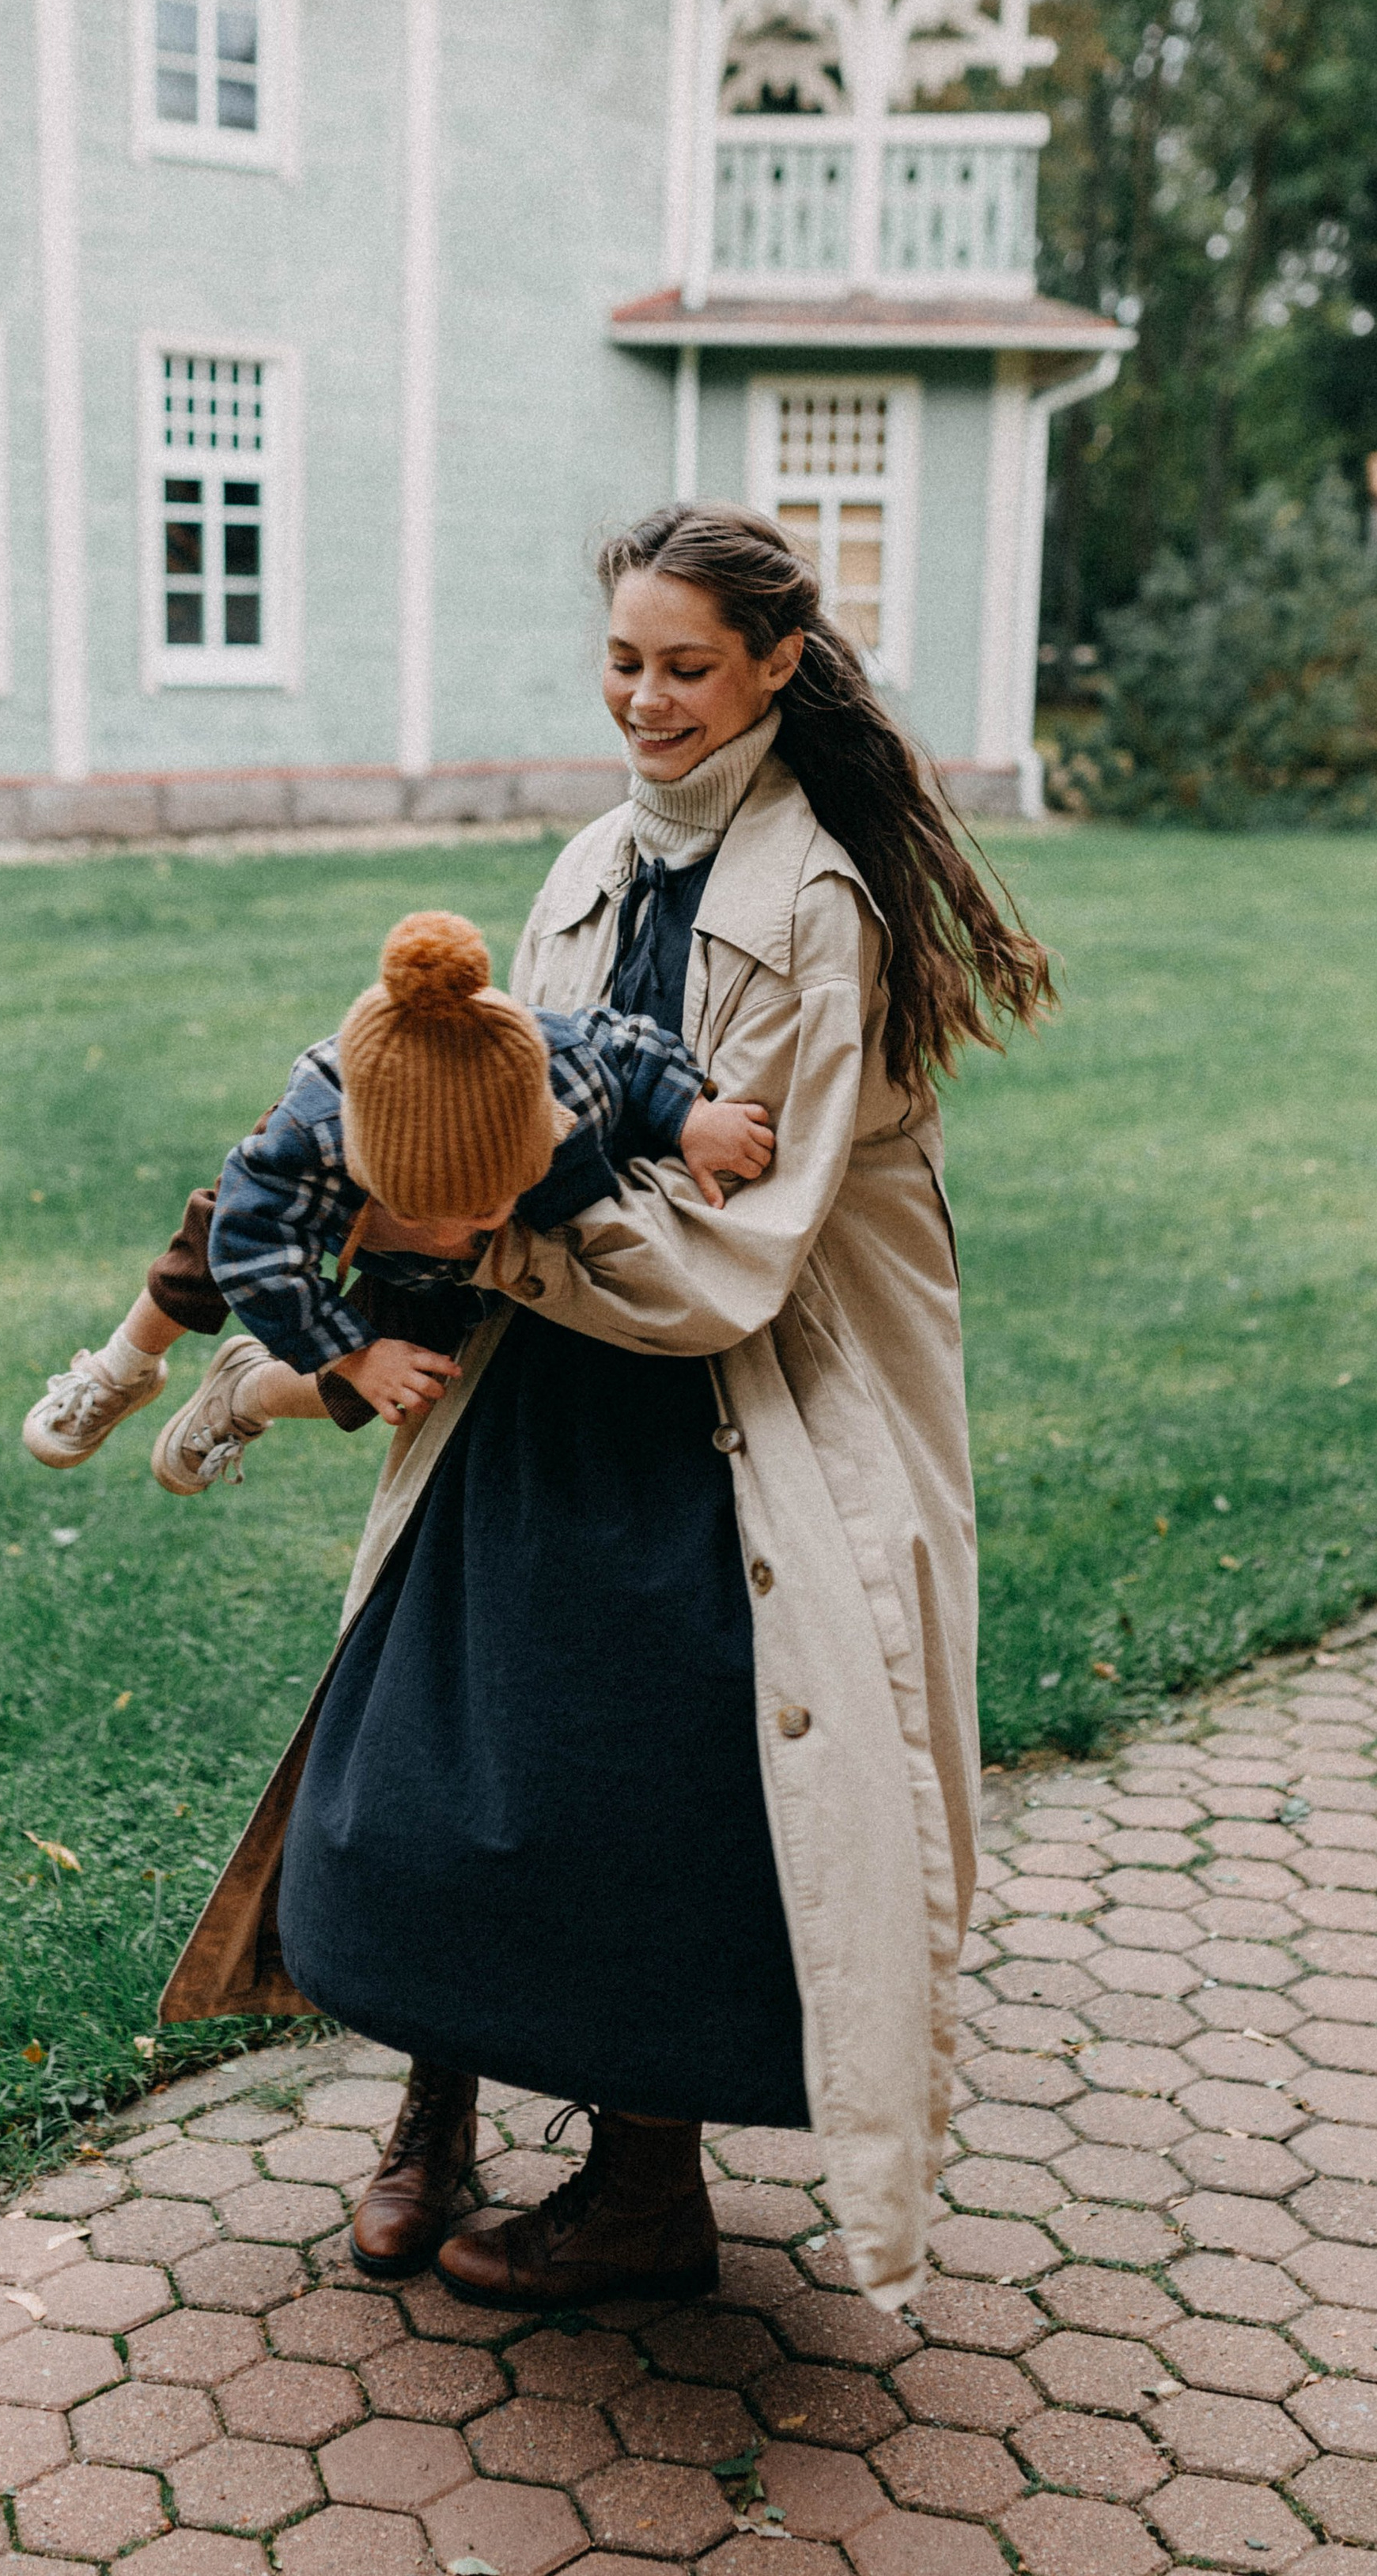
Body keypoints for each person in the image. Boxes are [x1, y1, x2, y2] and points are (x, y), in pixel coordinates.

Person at [159, 504, 1053, 2316]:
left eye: (686, 666)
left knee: (650, 1792)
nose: (644, 698)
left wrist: (464, 1236)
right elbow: (506, 1106)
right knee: (434, 1755)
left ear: (776, 665)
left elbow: (732, 1258)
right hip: (547, 1381)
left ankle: (645, 2186)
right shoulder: (588, 861)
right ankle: (430, 2115)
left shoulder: (814, 906)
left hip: (729, 1407)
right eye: (623, 661)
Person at [21, 912, 775, 1490]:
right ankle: (125, 1366)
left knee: (407, 1384)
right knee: (218, 1228)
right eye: (428, 1213)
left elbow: (626, 1043)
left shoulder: (570, 1078)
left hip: (433, 1270)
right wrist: (354, 1352)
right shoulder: (306, 1148)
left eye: (491, 1204)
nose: (456, 1231)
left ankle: (248, 1393)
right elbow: (248, 1254)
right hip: (341, 1166)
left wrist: (689, 1114)